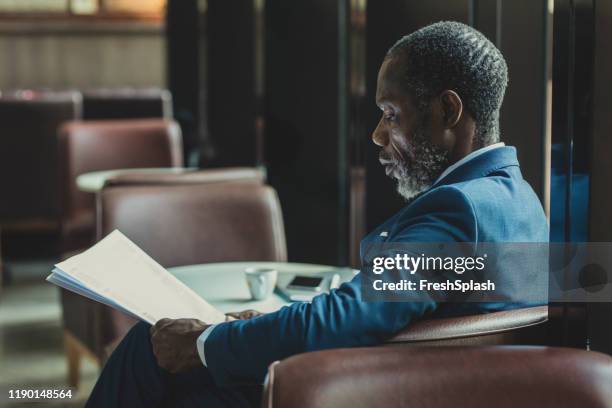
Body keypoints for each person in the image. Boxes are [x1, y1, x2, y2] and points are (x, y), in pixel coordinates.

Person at [87, 21, 548, 407]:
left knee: (146, 349)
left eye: (391, 114)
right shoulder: (520, 201)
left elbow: (349, 316)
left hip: (362, 391)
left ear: (448, 110)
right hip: (419, 384)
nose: (377, 135)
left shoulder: (458, 210)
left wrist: (202, 343)